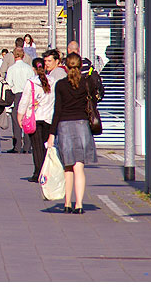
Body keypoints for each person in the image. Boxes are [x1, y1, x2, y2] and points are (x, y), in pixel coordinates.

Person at [47, 53, 100, 214]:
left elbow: (57, 110)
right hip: (82, 125)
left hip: (64, 126)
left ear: (66, 66)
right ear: (80, 66)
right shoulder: (86, 83)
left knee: (67, 168)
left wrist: (51, 133)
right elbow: (97, 97)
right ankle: (79, 204)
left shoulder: (61, 85)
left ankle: (67, 203)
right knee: (79, 167)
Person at [17, 57, 56, 182]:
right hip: (49, 118)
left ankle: (38, 172)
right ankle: (46, 172)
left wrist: (20, 116)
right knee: (46, 146)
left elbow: (24, 101)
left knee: (37, 146)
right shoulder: (53, 81)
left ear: (33, 68)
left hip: (35, 117)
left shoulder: (31, 82)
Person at [5, 47, 34, 153]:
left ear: (14, 56)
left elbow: (9, 84)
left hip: (16, 95)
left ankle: (17, 146)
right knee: (27, 119)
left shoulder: (11, 69)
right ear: (23, 56)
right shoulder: (28, 68)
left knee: (16, 121)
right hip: (27, 94)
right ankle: (27, 146)